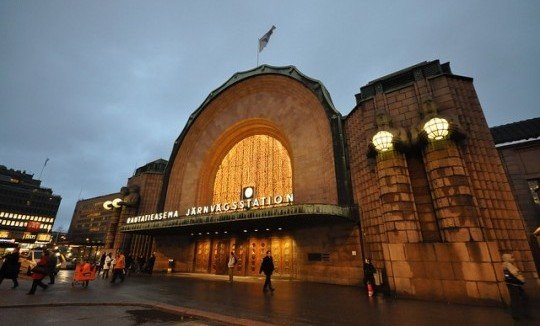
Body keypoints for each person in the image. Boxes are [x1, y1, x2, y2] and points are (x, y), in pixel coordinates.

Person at [502, 253, 530, 320]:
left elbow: (508, 276)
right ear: (507, 259)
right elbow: (514, 274)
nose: (513, 259)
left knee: (521, 298)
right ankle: (517, 315)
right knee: (516, 299)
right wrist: (521, 280)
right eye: (511, 258)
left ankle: (521, 313)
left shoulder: (507, 265)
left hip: (514, 284)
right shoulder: (508, 266)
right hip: (514, 284)